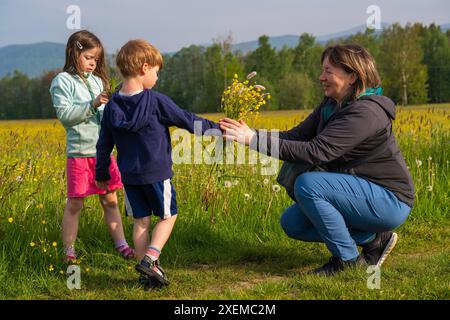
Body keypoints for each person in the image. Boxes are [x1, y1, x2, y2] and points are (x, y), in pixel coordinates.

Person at [220, 44, 414, 276]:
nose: (321, 77)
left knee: (309, 184)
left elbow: (316, 151)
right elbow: (295, 136)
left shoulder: (365, 113)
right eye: (323, 70)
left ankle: (347, 261)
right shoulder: (332, 105)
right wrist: (251, 134)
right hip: (359, 192)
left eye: (328, 71)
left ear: (352, 75)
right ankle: (373, 239)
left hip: (389, 200)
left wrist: (252, 140)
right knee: (292, 222)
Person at [95, 39, 221, 288]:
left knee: (141, 221)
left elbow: (103, 143)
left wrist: (101, 172)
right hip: (156, 173)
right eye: (156, 71)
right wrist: (217, 129)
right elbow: (187, 119)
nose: (156, 77)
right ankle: (151, 258)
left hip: (129, 176)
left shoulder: (111, 106)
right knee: (168, 215)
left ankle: (146, 275)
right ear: (144, 68)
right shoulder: (155, 101)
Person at [50, 30, 134, 263]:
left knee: (110, 200)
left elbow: (106, 116)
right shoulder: (62, 81)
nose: (93, 63)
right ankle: (69, 252)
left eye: (96, 59)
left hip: (103, 154)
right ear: (74, 52)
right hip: (79, 153)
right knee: (75, 204)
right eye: (88, 57)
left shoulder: (97, 81)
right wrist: (92, 103)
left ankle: (122, 245)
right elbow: (66, 116)